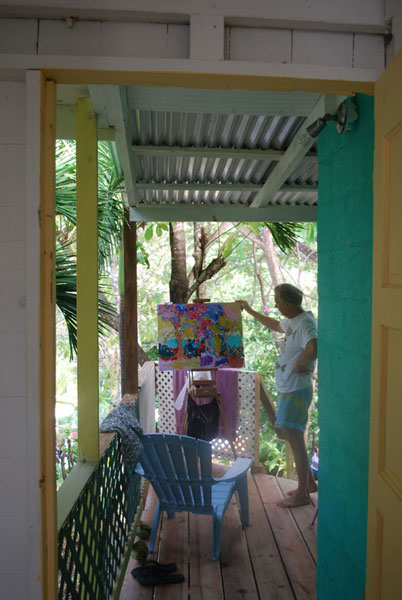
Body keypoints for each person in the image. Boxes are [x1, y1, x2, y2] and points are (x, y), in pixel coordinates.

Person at [237, 283, 317, 508]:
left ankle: (302, 494)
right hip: (289, 388)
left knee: (294, 436)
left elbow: (313, 347)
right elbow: (275, 324)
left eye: (278, 303)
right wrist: (250, 310)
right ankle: (308, 483)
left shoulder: (305, 323)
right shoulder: (293, 320)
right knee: (290, 434)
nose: (276, 306)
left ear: (289, 305)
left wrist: (300, 364)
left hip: (296, 389)